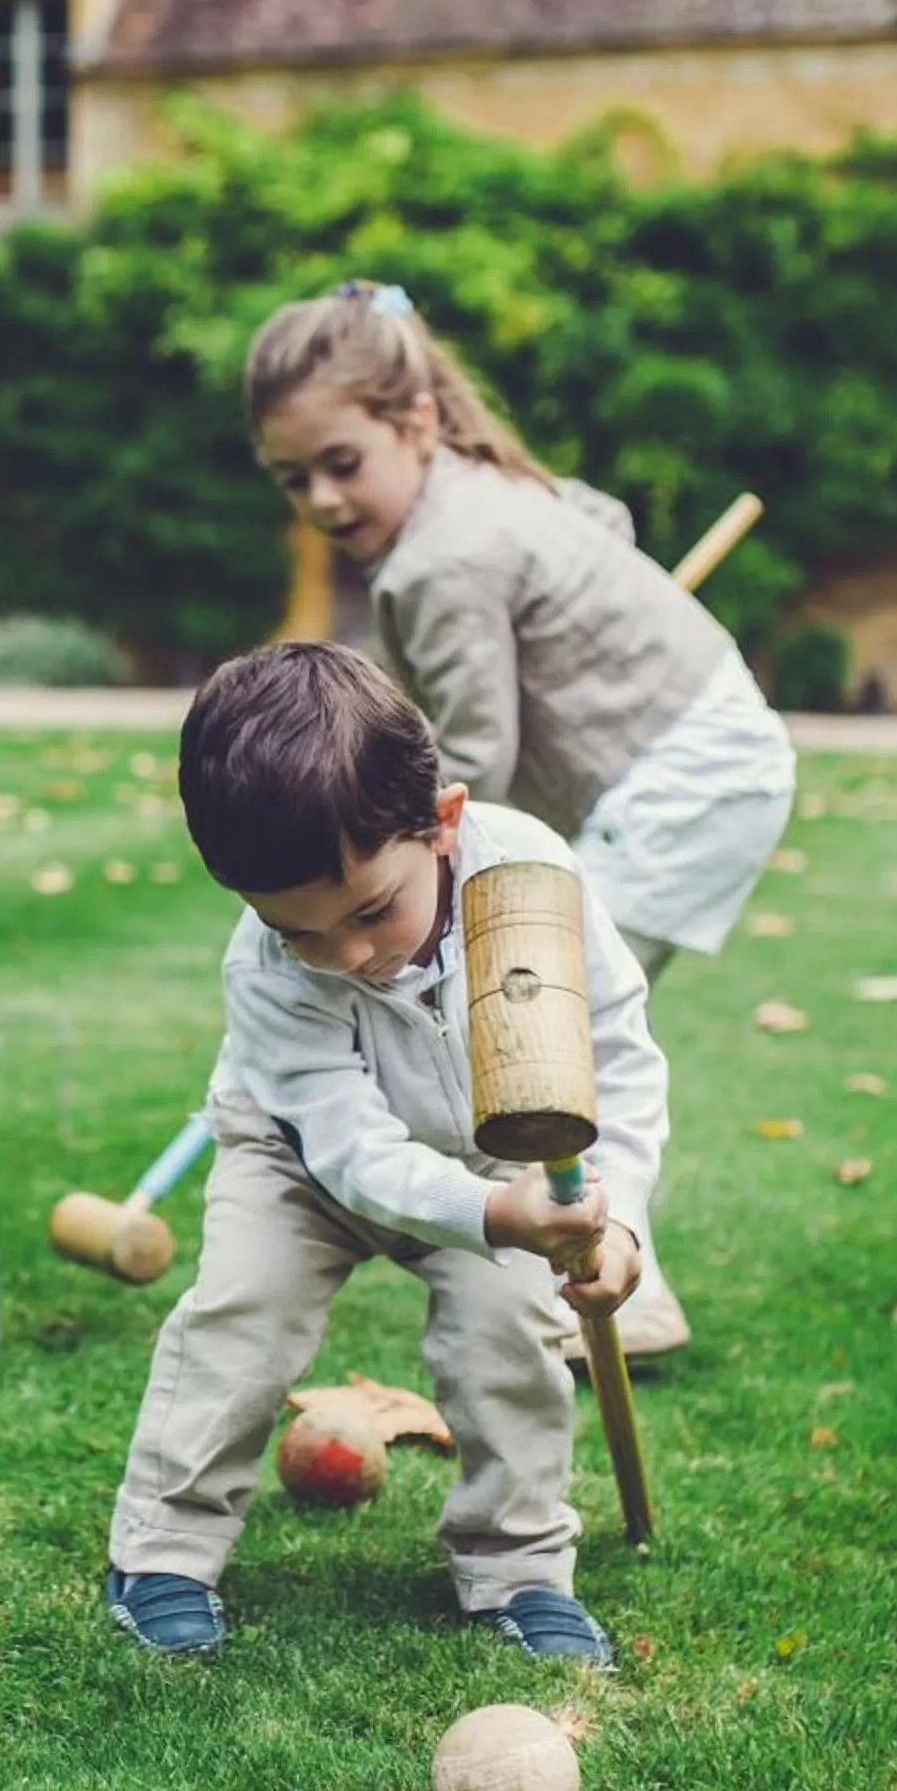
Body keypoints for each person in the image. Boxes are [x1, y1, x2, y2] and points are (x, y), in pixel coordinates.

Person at [246, 279, 796, 1357]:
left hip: (684, 784)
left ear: (414, 421)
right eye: (291, 478)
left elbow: (472, 763)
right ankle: (610, 1291)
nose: (318, 499)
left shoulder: (446, 555)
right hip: (695, 762)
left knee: (520, 1035)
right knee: (520, 1039)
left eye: (340, 464)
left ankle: (603, 1298)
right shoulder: (477, 494)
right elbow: (603, 521)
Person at [104, 641, 665, 1666]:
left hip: (489, 1155)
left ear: (441, 824)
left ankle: (517, 1565)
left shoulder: (532, 883)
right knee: (241, 1314)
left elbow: (616, 1060)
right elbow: (349, 1147)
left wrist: (617, 1218)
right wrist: (495, 1219)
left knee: (510, 1331)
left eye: (370, 913)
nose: (347, 957)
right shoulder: (266, 969)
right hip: (297, 1161)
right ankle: (163, 1550)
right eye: (298, 931)